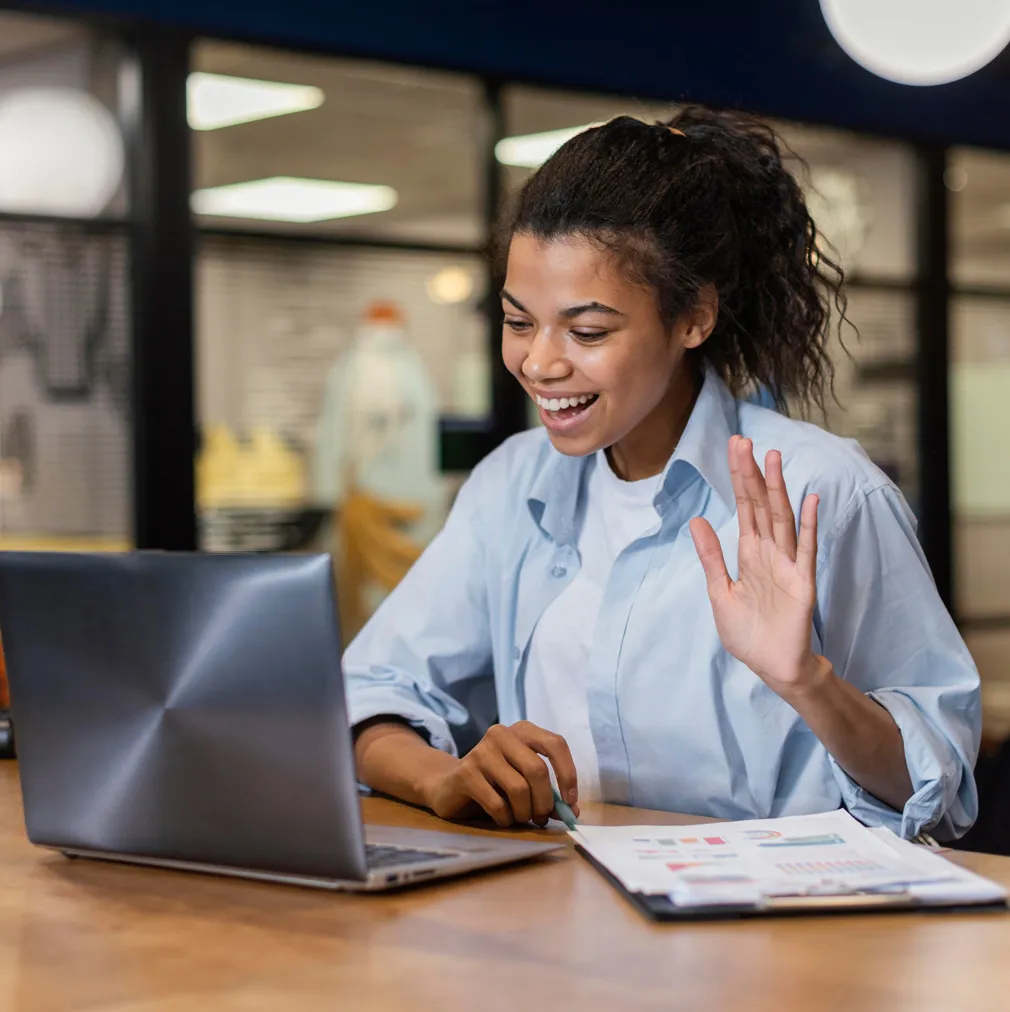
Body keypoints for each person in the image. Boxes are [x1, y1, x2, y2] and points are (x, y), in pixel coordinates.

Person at [345, 107, 980, 841]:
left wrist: (809, 683)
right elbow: (370, 693)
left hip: (781, 937)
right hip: (562, 922)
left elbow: (944, 783)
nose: (541, 362)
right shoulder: (511, 486)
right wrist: (445, 776)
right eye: (519, 322)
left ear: (693, 319)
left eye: (587, 331)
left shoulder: (822, 491)